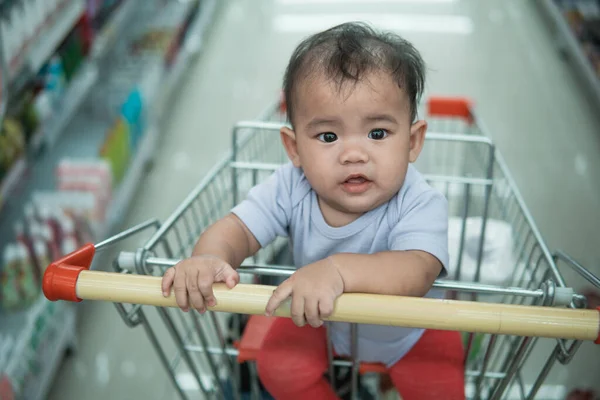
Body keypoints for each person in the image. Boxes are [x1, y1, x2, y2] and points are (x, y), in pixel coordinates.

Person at [161, 22, 464, 400]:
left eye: (378, 133)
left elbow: (415, 271)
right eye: (328, 136)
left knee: (442, 389)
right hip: (321, 316)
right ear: (294, 148)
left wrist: (336, 269)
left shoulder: (420, 201)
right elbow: (237, 228)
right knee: (278, 367)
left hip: (414, 330)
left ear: (413, 141)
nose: (354, 154)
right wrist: (209, 256)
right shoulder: (290, 187)